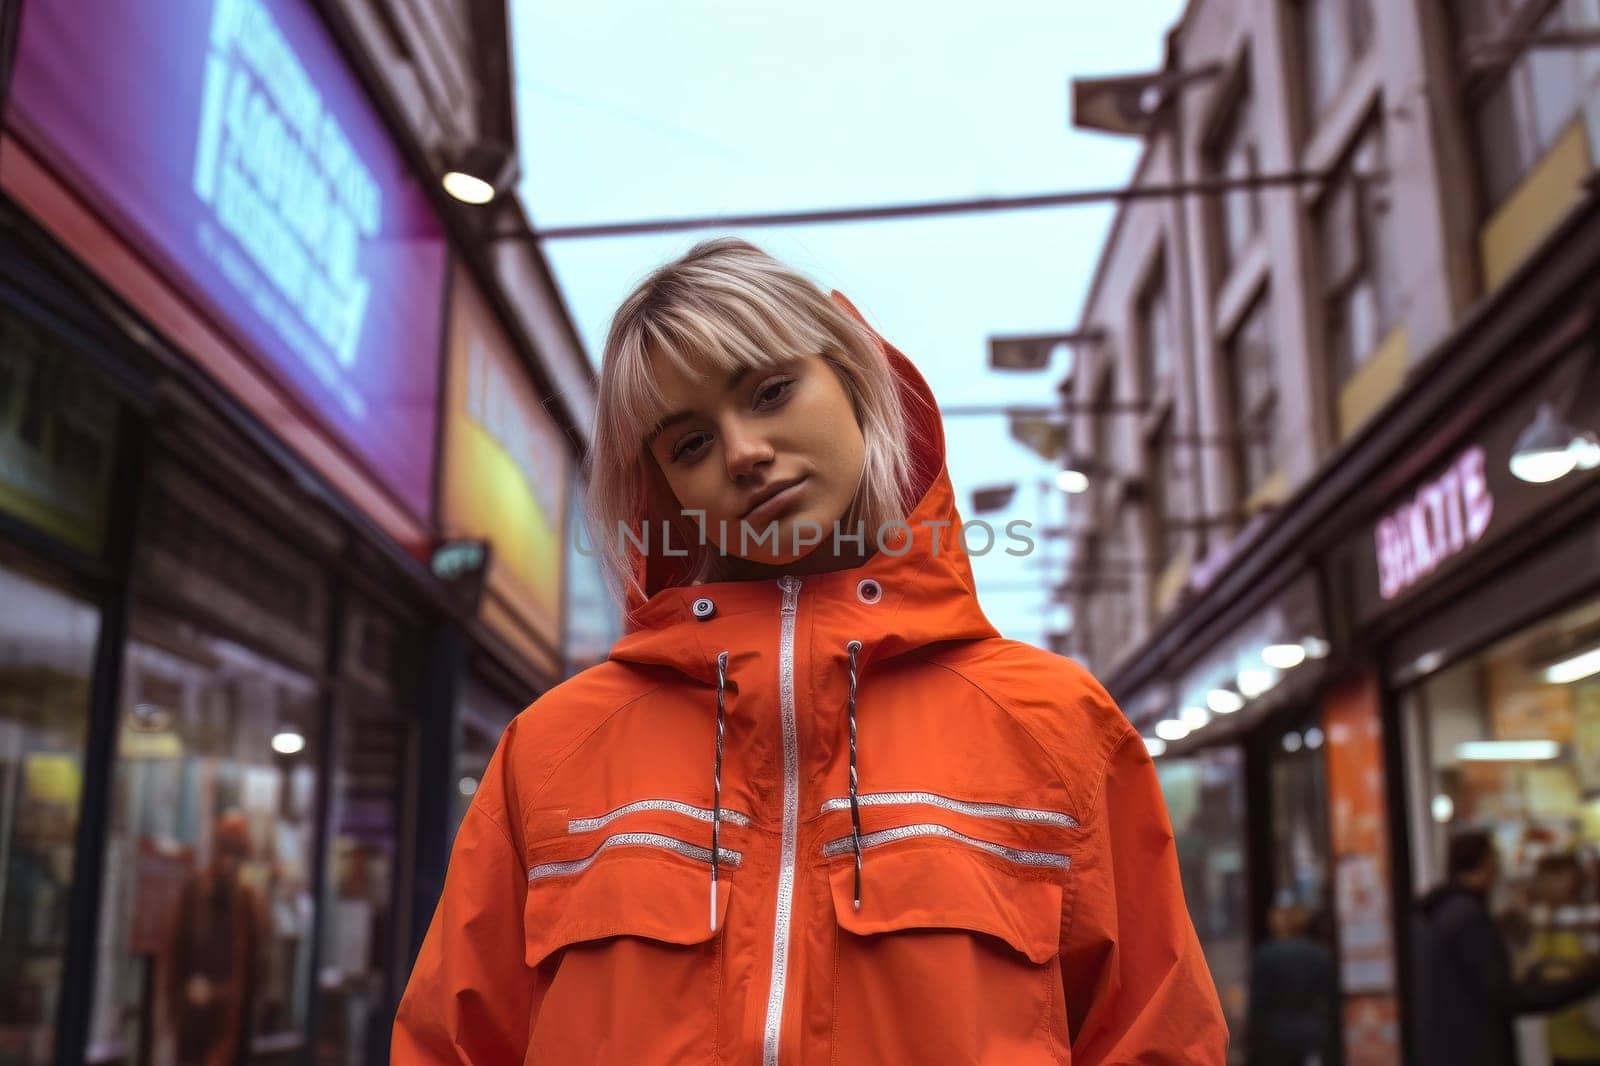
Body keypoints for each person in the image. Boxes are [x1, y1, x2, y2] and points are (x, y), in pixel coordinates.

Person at [393, 237, 1229, 1063]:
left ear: (857, 381)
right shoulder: (552, 751)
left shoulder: (1055, 726)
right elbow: (452, 1045)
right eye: (689, 443)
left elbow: (1157, 1037)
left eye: (771, 390)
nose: (745, 453)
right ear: (662, 490)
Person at [1412, 830, 1600, 1066]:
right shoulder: (1468, 918)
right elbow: (1504, 994)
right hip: (1476, 1052)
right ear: (1486, 862)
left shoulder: (1440, 913)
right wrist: (1584, 982)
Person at [162, 810, 266, 1066]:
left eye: (236, 853)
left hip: (227, 1019)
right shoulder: (196, 893)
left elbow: (255, 969)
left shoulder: (248, 903)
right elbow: (175, 956)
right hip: (196, 1017)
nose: (230, 862)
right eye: (226, 851)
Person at [1526, 852, 1600, 1066]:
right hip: (1560, 1039)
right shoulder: (1544, 921)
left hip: (1589, 1041)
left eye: (1551, 877)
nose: (1543, 885)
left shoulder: (1587, 919)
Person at [1247, 899, 1338, 1066]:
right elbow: (1331, 999)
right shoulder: (1320, 955)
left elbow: (1258, 1004)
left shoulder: (1265, 955)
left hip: (1275, 1034)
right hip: (1311, 1031)